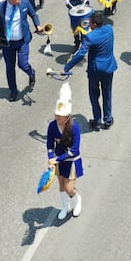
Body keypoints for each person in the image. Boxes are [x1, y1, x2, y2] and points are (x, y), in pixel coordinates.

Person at [0, 0, 43, 102]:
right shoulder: (0, 7)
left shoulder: (25, 3)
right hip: (7, 43)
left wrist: (38, 25)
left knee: (22, 64)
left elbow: (34, 14)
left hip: (22, 41)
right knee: (9, 67)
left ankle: (31, 73)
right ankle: (13, 90)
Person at [63, 11, 117, 130]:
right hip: (109, 68)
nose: (89, 25)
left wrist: (67, 67)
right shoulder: (109, 29)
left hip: (95, 70)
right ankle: (108, 119)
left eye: (90, 23)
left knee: (94, 95)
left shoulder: (89, 37)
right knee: (107, 94)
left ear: (94, 24)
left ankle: (97, 120)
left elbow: (80, 54)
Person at [47, 82, 83, 220]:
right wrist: (50, 158)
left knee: (69, 188)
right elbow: (50, 144)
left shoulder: (74, 128)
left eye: (61, 115)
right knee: (61, 184)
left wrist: (56, 159)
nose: (58, 117)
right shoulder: (52, 126)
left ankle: (77, 200)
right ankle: (65, 206)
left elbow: (74, 150)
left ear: (67, 116)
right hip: (58, 160)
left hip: (71, 160)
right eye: (57, 114)